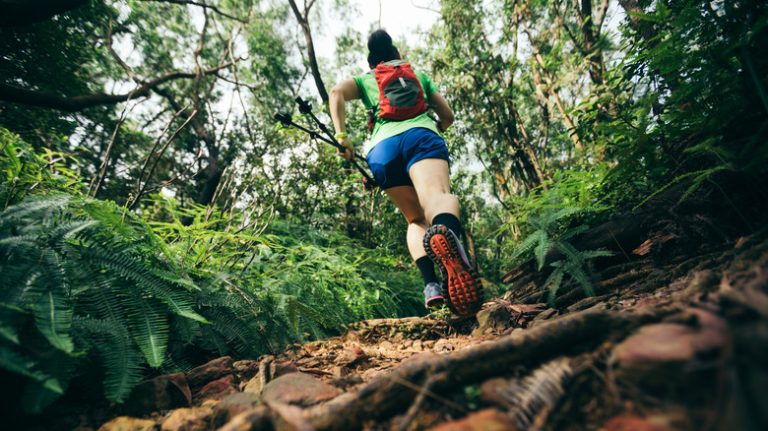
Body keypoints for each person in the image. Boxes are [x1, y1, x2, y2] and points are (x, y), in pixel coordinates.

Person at [328, 29, 482, 316]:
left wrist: (342, 136)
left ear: (373, 61)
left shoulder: (366, 79)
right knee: (437, 198)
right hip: (422, 136)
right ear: (397, 54)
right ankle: (450, 243)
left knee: (414, 219)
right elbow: (447, 116)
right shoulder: (418, 75)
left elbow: (336, 91)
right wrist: (435, 128)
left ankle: (432, 286)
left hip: (382, 151)